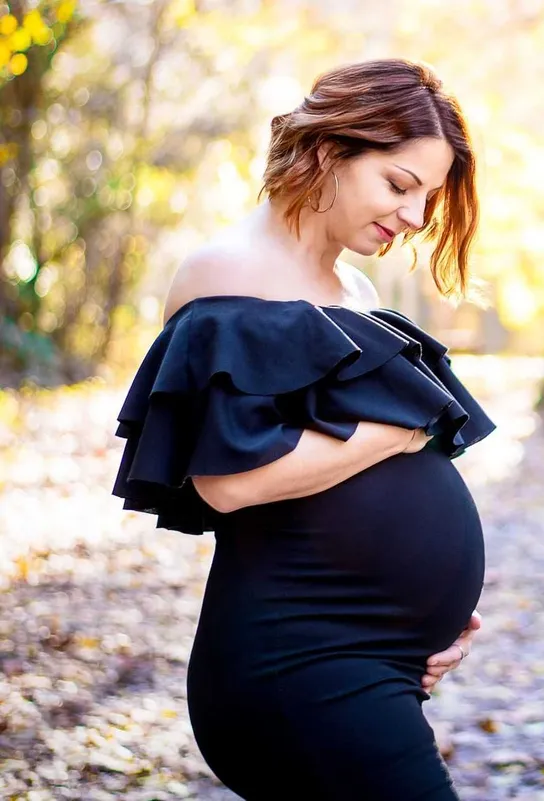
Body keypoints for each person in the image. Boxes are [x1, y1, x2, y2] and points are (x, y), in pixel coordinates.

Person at [110, 59, 496, 800]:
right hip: (299, 658)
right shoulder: (227, 271)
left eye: (428, 197)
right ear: (328, 150)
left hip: (366, 651)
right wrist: (399, 434)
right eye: (399, 185)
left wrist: (425, 617)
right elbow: (228, 483)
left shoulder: (357, 288)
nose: (416, 216)